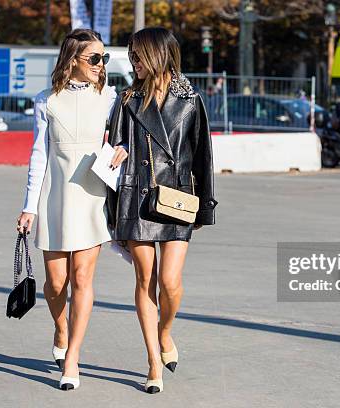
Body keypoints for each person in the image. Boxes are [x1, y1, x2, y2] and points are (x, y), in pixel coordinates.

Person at [106, 26, 217, 394]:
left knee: (170, 282)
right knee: (145, 281)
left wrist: (206, 207)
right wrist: (115, 152)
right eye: (132, 55)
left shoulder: (190, 99)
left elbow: (203, 157)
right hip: (136, 197)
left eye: (138, 55)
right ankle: (153, 362)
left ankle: (165, 331)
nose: (133, 61)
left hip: (178, 198)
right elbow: (113, 147)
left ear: (157, 55)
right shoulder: (125, 101)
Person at [15, 28, 120, 391]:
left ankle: (72, 358)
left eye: (104, 58)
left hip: (92, 196)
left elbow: (122, 142)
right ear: (73, 58)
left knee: (82, 279)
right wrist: (29, 206)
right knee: (56, 283)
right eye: (94, 58)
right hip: (55, 197)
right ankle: (61, 328)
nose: (101, 65)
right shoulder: (46, 100)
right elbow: (38, 155)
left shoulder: (109, 98)